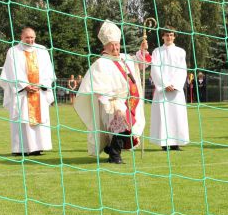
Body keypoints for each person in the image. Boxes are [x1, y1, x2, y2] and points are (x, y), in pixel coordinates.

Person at [74, 20, 146, 164]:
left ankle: (110, 148)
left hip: (129, 101)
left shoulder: (125, 59)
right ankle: (114, 155)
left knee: (126, 129)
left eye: (117, 44)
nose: (115, 47)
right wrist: (109, 104)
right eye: (112, 45)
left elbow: (141, 63)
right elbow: (97, 86)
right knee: (122, 125)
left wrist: (143, 50)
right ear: (105, 46)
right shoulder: (101, 63)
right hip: (111, 102)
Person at [0, 27, 56, 156]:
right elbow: (11, 71)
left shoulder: (42, 50)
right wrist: (24, 85)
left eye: (32, 37)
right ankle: (21, 149)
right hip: (22, 93)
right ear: (21, 37)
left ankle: (37, 148)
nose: (30, 40)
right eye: (27, 38)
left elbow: (48, 70)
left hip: (39, 91)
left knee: (39, 120)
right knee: (22, 118)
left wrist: (40, 84)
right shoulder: (13, 51)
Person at [149, 27, 190, 151]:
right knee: (163, 116)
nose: (169, 37)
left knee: (177, 116)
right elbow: (155, 69)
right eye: (167, 35)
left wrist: (175, 84)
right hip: (163, 90)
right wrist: (165, 84)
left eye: (171, 35)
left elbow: (182, 70)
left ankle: (175, 143)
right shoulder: (157, 51)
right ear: (162, 36)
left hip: (176, 91)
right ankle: (164, 143)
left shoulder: (180, 51)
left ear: (174, 36)